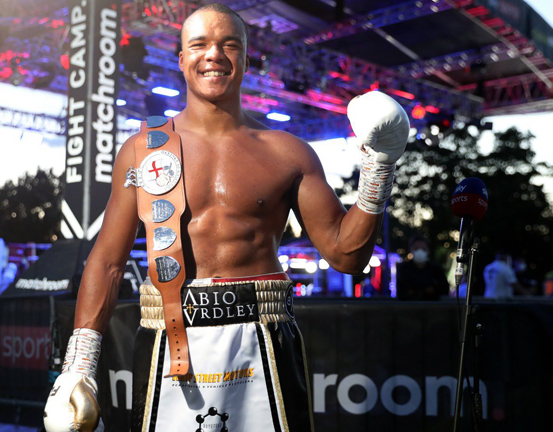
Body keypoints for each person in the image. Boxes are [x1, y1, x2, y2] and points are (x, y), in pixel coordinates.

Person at [43, 4, 409, 432]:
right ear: (181, 60)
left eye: (228, 44)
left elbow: (347, 256)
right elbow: (107, 260)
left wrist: (378, 169)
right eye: (198, 44)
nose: (213, 54)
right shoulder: (143, 150)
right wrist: (79, 364)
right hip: (170, 339)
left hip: (264, 341)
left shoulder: (288, 151)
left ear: (247, 58)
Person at [396, 234, 450, 300]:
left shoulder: (437, 269)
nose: (420, 251)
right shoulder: (404, 269)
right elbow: (401, 291)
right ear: (411, 250)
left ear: (428, 250)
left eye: (423, 249)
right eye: (416, 248)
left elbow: (444, 290)